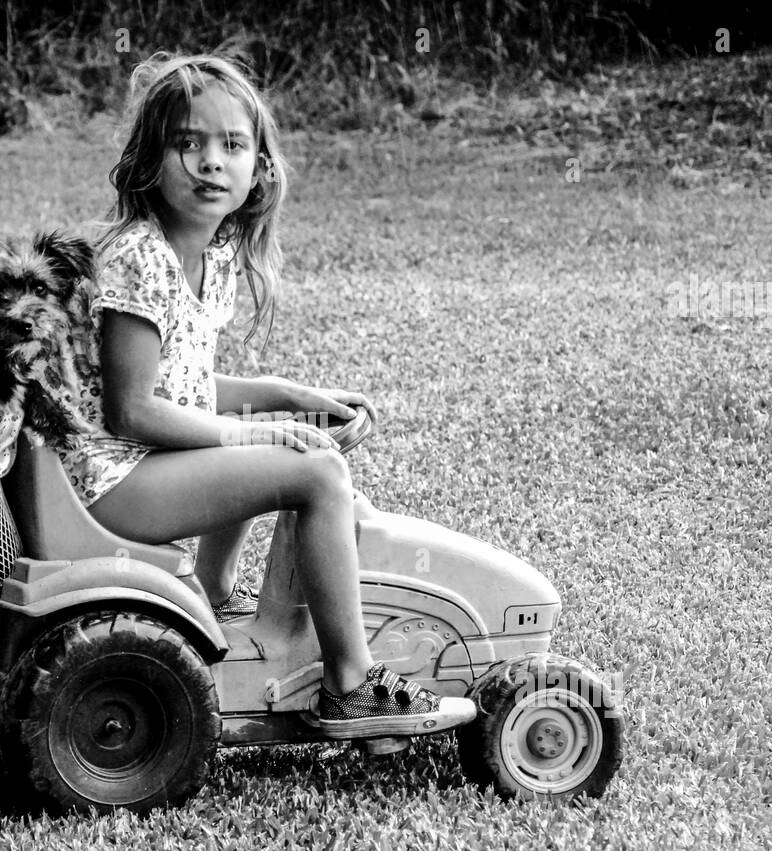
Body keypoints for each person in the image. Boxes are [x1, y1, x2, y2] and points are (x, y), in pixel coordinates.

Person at [55, 51, 474, 739]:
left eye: (231, 144)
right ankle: (349, 683)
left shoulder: (208, 255)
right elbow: (132, 409)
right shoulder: (140, 257)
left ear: (259, 168)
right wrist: (255, 433)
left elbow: (185, 385)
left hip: (138, 466)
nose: (210, 162)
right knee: (314, 472)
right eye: (186, 143)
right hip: (110, 487)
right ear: (148, 161)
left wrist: (286, 396)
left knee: (266, 445)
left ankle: (214, 597)